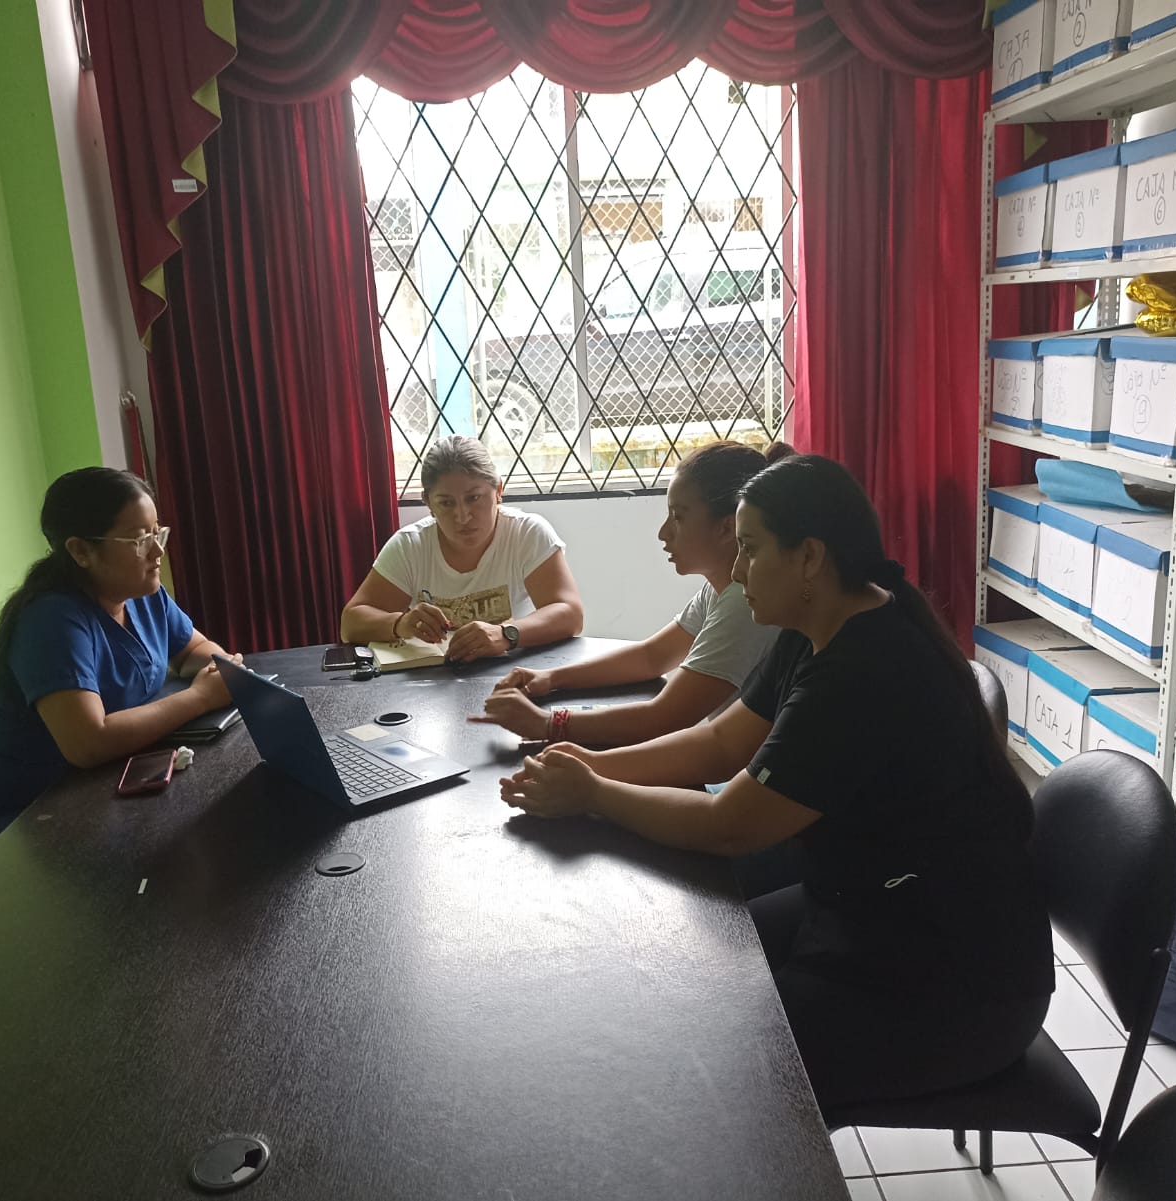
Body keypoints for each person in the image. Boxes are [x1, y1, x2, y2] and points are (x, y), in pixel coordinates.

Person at [498, 454, 1054, 1107]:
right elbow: (716, 746)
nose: (736, 570)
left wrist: (592, 793)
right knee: (683, 975)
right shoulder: (816, 623)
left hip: (957, 985)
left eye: (752, 548)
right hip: (871, 913)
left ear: (809, 557)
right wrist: (585, 766)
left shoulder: (864, 669)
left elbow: (729, 825)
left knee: (717, 1070)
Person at [0, 468, 238, 876]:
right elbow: (89, 743)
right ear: (81, 551)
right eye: (140, 540)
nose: (157, 551)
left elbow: (193, 650)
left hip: (95, 795)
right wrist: (201, 696)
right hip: (10, 832)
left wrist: (217, 668)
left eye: (158, 533)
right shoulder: (52, 620)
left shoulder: (142, 593)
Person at [470, 440, 788, 746]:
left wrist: (548, 723)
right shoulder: (718, 591)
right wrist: (550, 678)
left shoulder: (742, 602)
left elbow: (665, 718)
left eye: (678, 517)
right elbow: (652, 656)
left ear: (726, 528)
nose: (663, 533)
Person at [340, 436, 583, 661]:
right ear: (428, 503)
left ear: (498, 491)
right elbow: (349, 625)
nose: (462, 516)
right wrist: (401, 624)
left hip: (514, 672)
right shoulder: (410, 545)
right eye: (446, 503)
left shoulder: (526, 533)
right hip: (433, 679)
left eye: (474, 498)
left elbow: (570, 614)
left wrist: (506, 634)